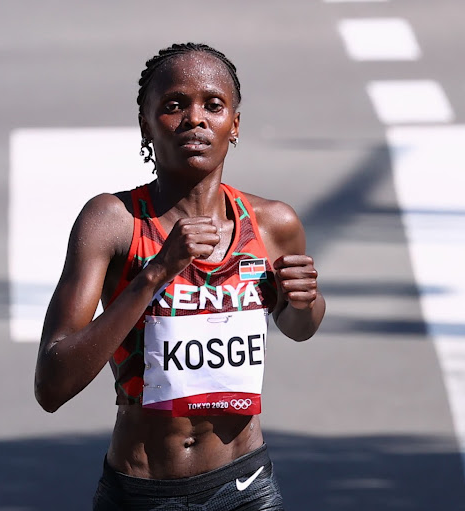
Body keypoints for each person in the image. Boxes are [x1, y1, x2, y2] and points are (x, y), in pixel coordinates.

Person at [34, 42, 326, 510]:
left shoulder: (272, 224)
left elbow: (297, 327)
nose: (195, 119)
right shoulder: (114, 221)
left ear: (234, 124)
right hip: (141, 490)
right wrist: (157, 273)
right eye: (174, 106)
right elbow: (52, 384)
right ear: (146, 125)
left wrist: (303, 301)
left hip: (245, 482)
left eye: (213, 105)